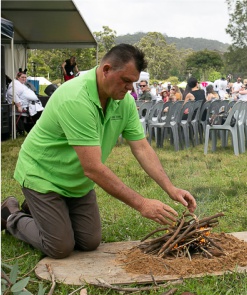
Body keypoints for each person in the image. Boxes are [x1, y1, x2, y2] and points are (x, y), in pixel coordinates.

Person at [1, 44, 197, 259]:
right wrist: (142, 203)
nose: (130, 88)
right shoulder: (76, 98)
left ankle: (40, 210)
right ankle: (11, 215)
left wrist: (170, 188)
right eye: (125, 81)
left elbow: (141, 147)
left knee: (89, 242)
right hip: (43, 174)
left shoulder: (123, 102)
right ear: (106, 70)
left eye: (133, 82)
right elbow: (93, 168)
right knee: (60, 247)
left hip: (76, 183)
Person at [6, 70, 45, 134]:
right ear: (18, 78)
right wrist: (19, 106)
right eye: (22, 77)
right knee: (40, 114)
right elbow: (11, 93)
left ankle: (36, 130)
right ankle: (37, 130)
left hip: (31, 104)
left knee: (41, 113)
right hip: (25, 107)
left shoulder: (20, 84)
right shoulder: (15, 84)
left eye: (25, 77)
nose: (24, 79)